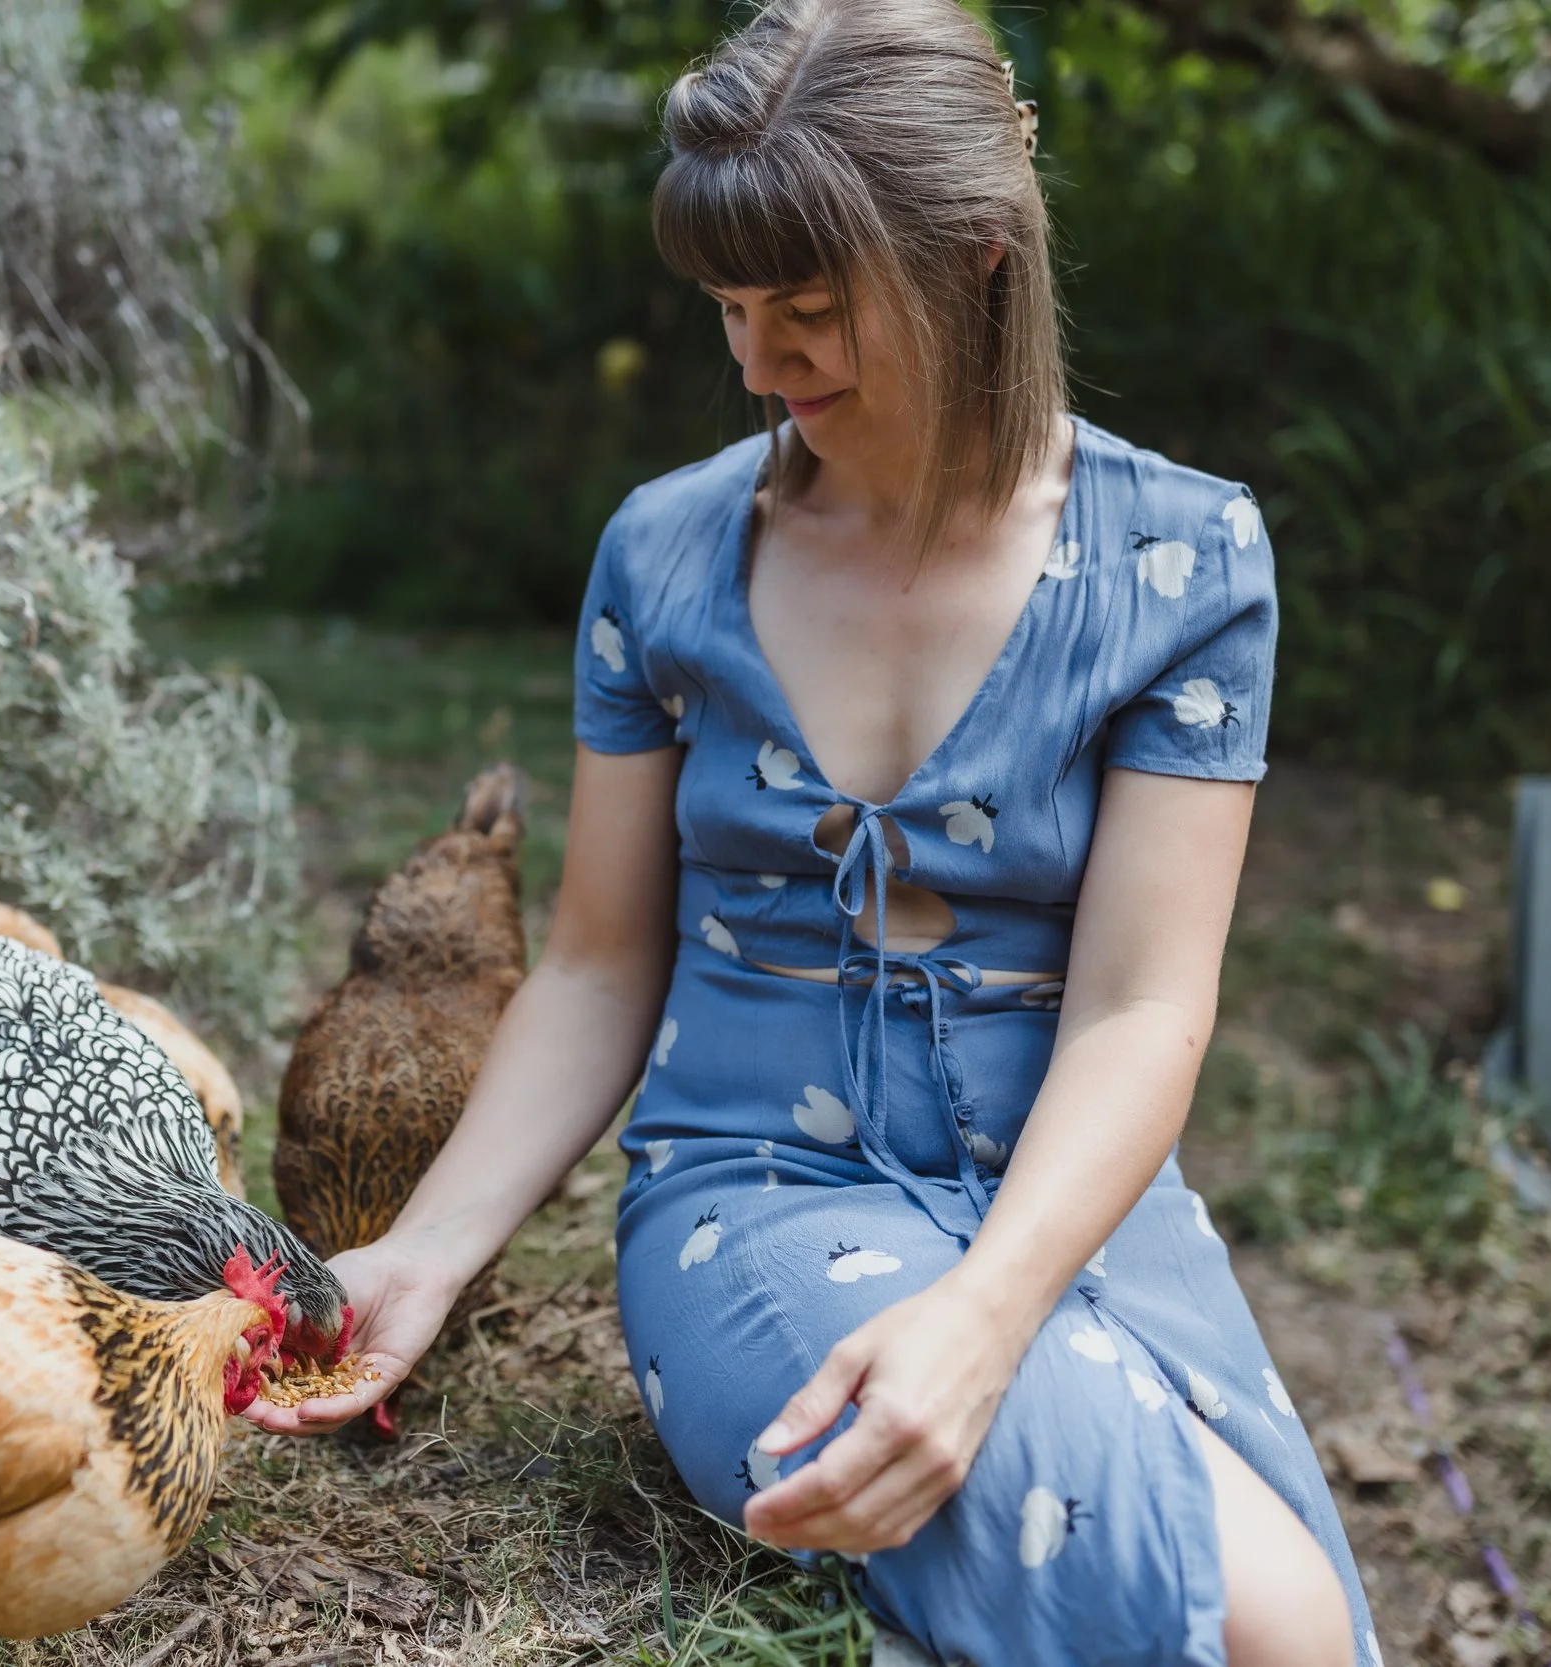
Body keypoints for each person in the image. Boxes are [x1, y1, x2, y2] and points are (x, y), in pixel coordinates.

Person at [247, 0, 1376, 1659]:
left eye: (810, 308)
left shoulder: (1189, 564)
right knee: (1256, 1624)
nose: (760, 363)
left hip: (1064, 1190)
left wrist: (988, 1313)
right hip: (754, 1190)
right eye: (728, 308)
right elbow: (596, 964)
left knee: (1320, 1630)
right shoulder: (667, 553)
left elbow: (1145, 1000)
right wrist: (423, 1248)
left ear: (977, 256)